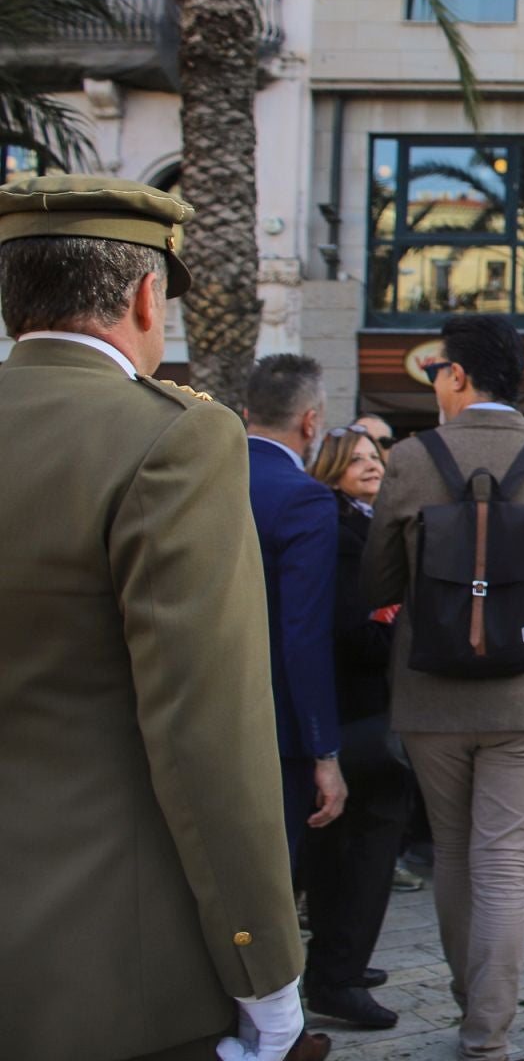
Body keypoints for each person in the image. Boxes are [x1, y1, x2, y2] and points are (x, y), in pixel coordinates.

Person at [0, 175, 318, 1061]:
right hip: (110, 962)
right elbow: (206, 728)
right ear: (148, 296)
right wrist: (267, 973)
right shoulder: (171, 436)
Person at [365, 314, 524, 1061]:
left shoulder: (411, 459)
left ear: (456, 375)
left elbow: (377, 581)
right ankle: (489, 1035)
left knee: (452, 851)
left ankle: (466, 1003)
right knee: (507, 863)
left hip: (433, 694)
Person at [301, 426, 408, 1030]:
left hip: (361, 709)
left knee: (350, 846)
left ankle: (341, 962)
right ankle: (336, 976)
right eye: (358, 459)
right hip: (356, 711)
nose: (371, 465)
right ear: (331, 467)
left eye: (376, 456)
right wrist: (406, 626)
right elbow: (356, 632)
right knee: (360, 844)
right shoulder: (344, 534)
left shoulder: (364, 523)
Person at [244, 356, 346, 866]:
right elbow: (303, 633)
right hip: (275, 729)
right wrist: (324, 751)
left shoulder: (194, 477)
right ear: (311, 422)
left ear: (245, 412)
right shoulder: (303, 499)